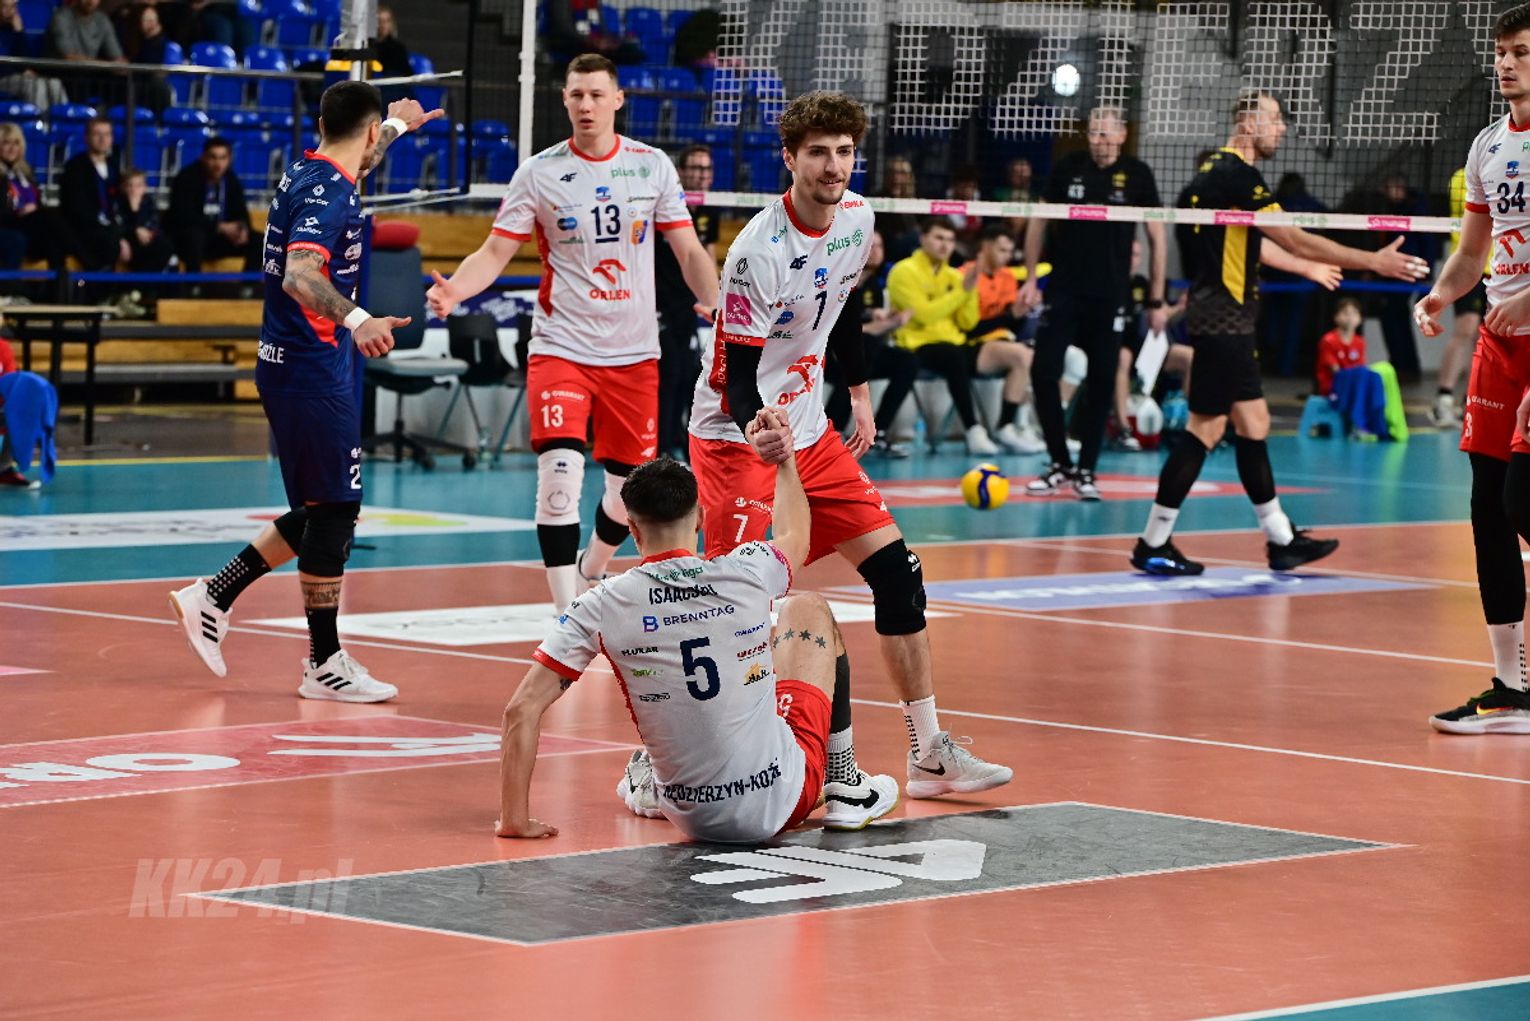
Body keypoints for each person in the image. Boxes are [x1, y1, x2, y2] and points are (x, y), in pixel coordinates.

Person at [686, 90, 1013, 798]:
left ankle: (929, 753)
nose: (833, 166)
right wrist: (760, 430)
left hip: (810, 429)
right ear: (789, 159)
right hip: (736, 436)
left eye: (843, 152)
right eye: (818, 154)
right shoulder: (757, 252)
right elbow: (736, 378)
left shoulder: (858, 217)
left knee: (899, 573)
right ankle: (680, 760)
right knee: (732, 607)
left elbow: (847, 302)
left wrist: (858, 393)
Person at [168, 84, 443, 701]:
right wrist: (358, 320)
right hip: (310, 370)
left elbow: (358, 159)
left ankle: (213, 596)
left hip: (299, 366)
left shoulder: (311, 169)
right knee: (336, 510)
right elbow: (299, 274)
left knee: (325, 505)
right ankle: (323, 662)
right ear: (365, 132)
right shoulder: (330, 192)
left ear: (323, 124)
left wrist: (397, 128)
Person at [496, 433, 900, 841]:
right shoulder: (746, 571)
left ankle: (649, 784)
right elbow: (797, 534)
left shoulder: (601, 604)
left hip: (690, 814)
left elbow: (521, 710)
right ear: (701, 518)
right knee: (807, 608)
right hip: (780, 801)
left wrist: (514, 819)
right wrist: (784, 460)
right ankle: (845, 781)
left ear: (632, 528)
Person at [425, 54, 718, 614]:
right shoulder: (539, 172)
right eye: (577, 94)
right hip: (562, 346)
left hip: (633, 352)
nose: (586, 105)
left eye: (596, 95)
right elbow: (495, 251)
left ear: (617, 100)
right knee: (559, 476)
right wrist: (456, 290)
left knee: (626, 492)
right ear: (564, 100)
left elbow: (687, 249)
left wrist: (716, 300)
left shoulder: (651, 166)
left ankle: (593, 568)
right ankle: (565, 613)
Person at [1131, 89, 1428, 577]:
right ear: (1248, 124)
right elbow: (1290, 235)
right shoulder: (1236, 175)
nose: (1282, 128)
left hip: (1225, 318)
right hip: (1223, 320)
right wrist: (1372, 260)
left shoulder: (1211, 177)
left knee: (1254, 423)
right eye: (1273, 119)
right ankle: (1154, 542)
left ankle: (1281, 539)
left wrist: (1305, 268)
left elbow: (1256, 244)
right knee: (1205, 429)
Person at [1411, 2, 1530, 734]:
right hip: (1498, 343)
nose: (1507, 63)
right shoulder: (1488, 144)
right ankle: (1511, 688)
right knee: (1488, 507)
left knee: (1522, 502)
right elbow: (1472, 250)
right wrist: (1440, 293)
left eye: (1522, 51)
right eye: (1502, 52)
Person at [1019, 107, 1168, 500]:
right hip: (1064, 290)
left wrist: (1156, 299)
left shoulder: (1138, 174)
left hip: (1111, 295)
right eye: (1093, 133)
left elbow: (1157, 237)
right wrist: (1031, 278)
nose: (1098, 141)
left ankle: (1087, 469)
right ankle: (1058, 462)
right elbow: (1038, 220)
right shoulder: (1068, 167)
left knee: (1103, 379)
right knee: (1043, 371)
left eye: (1105, 134)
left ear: (1121, 135)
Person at [888, 217, 1032, 456]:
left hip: (953, 344)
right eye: (939, 238)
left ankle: (1011, 426)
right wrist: (962, 292)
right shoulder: (904, 271)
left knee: (1019, 354)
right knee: (953, 355)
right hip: (917, 344)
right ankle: (973, 429)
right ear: (923, 238)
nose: (945, 245)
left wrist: (970, 291)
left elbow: (968, 322)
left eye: (950, 240)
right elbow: (923, 316)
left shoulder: (955, 276)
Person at [823, 227, 917, 458]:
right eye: (870, 245)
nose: (876, 251)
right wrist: (891, 323)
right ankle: (830, 435)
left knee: (906, 361)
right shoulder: (837, 280)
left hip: (860, 359)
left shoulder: (874, 285)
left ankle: (879, 433)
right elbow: (840, 333)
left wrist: (880, 319)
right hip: (827, 357)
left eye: (880, 246)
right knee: (865, 346)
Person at [654, 143, 719, 461]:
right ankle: (662, 446)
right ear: (681, 172)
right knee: (668, 371)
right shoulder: (666, 206)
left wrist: (715, 300)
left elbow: (708, 254)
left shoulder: (710, 209)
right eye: (694, 167)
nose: (701, 175)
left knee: (686, 372)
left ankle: (678, 436)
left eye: (706, 169)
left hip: (686, 305)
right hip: (657, 303)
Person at [968, 223, 1045, 453]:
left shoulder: (1008, 276)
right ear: (985, 247)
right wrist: (1009, 316)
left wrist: (1021, 312)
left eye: (1010, 251)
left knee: (1059, 357)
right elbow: (969, 327)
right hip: (972, 344)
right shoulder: (966, 275)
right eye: (1002, 250)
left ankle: (1029, 426)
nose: (1007, 256)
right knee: (1022, 356)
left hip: (1004, 341)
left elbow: (1012, 324)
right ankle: (1006, 426)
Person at [1431, 165, 1489, 427]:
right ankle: (1443, 399)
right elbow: (1479, 211)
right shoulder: (1462, 176)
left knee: (1489, 339)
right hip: (1469, 267)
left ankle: (1473, 401)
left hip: (1501, 268)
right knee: (1465, 329)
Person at [166, 136, 259, 273]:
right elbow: (183, 217)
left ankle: (248, 285)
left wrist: (242, 228)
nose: (218, 164)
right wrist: (219, 227)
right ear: (203, 157)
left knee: (259, 240)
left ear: (229, 159)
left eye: (223, 158)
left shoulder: (231, 179)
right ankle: (193, 284)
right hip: (189, 240)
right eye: (213, 157)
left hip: (221, 240)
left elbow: (241, 212)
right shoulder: (186, 177)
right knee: (194, 236)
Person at [0, 123, 77, 271]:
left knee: (54, 239)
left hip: (31, 225)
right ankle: (87, 260)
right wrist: (19, 212)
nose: (12, 148)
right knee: (49, 217)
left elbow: (38, 204)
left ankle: (58, 283)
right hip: (9, 224)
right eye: (6, 143)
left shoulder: (26, 173)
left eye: (16, 143)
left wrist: (34, 209)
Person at [59, 116, 128, 271]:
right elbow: (76, 209)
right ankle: (103, 285)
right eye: (97, 134)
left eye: (107, 134)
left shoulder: (114, 166)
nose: (103, 139)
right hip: (86, 230)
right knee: (108, 243)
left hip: (113, 227)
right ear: (87, 137)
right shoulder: (75, 167)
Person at [0, 0, 69, 110]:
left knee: (55, 83)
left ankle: (63, 118)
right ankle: (40, 119)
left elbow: (25, 57)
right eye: (5, 7)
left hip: (18, 77)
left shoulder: (13, 29)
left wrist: (19, 32)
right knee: (36, 86)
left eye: (13, 7)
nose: (10, 11)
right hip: (4, 78)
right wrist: (22, 70)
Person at [117, 166, 172, 272]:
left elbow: (153, 225)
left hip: (147, 240)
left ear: (145, 188)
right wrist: (134, 212)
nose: (133, 189)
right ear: (123, 187)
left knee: (163, 246)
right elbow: (119, 226)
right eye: (129, 185)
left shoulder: (149, 203)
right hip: (128, 240)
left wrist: (142, 230)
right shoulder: (118, 204)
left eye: (138, 185)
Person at [1314, 297, 1365, 398]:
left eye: (1354, 313)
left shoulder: (1360, 342)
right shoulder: (1328, 340)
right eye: (1345, 313)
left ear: (1360, 319)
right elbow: (1335, 371)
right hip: (1332, 386)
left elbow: (1360, 368)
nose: (1350, 317)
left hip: (1352, 384)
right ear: (1336, 317)